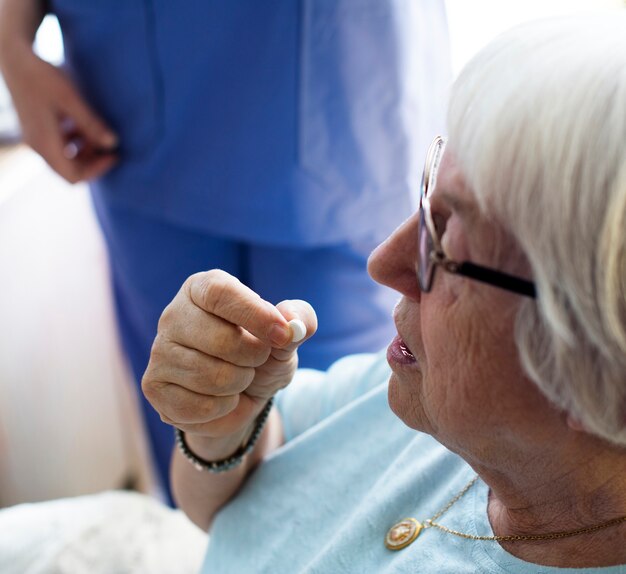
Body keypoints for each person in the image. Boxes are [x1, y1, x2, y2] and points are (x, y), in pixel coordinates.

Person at [141, 14, 626, 572]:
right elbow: (233, 496)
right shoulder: (420, 391)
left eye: (445, 248)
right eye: (428, 198)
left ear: (595, 377)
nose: (383, 262)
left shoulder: (452, 397)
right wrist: (223, 426)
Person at [0, 0, 451, 501]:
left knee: (344, 451)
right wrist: (11, 43)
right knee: (187, 407)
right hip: (133, 100)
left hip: (344, 88)